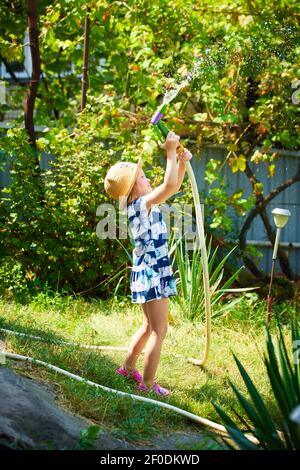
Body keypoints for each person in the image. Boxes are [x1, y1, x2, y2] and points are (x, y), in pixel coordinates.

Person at [104, 131, 192, 397]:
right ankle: (149, 383)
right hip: (154, 272)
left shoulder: (136, 206)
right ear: (132, 189)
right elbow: (167, 188)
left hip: (146, 272)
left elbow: (172, 187)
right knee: (159, 330)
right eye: (142, 178)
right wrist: (169, 152)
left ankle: (129, 368)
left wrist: (181, 163)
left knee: (148, 326)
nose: (147, 178)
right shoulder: (142, 204)